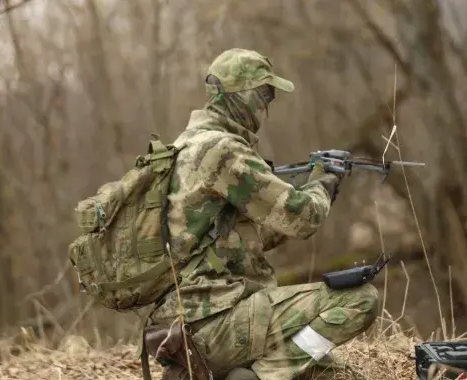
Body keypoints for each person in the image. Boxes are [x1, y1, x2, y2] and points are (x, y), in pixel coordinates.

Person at [142, 48, 380, 380]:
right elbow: (304, 218)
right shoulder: (222, 150)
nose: (266, 107)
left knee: (340, 375)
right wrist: (323, 182)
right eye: (264, 95)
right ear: (244, 96)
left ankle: (219, 372)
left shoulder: (184, 147)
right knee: (362, 299)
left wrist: (321, 189)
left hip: (186, 330)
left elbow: (246, 239)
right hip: (217, 324)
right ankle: (261, 376)